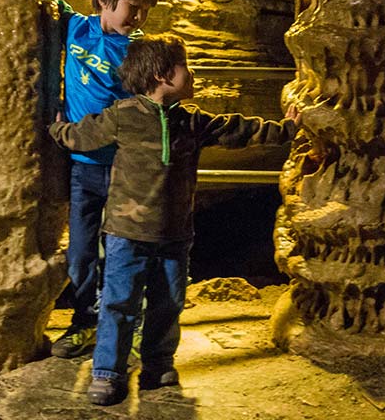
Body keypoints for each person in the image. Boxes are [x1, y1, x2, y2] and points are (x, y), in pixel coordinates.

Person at [48, 34, 301, 406]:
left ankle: (158, 361)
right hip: (125, 234)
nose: (192, 72)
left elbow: (237, 130)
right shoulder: (123, 116)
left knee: (169, 301)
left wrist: (286, 129)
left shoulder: (191, 121)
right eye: (185, 65)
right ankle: (107, 372)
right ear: (162, 74)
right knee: (119, 303)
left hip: (174, 235)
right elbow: (84, 136)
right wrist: (57, 129)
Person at [0, 0, 160, 358]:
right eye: (134, 6)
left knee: (126, 249)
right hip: (84, 169)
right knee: (80, 253)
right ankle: (84, 321)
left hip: (125, 170)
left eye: (146, 9)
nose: (140, 16)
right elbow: (43, 0)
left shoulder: (139, 53)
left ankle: (132, 324)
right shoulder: (77, 28)